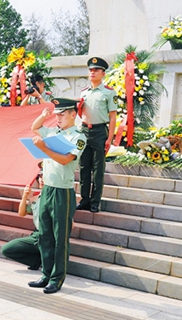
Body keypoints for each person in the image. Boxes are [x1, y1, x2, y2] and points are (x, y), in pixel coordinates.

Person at [27, 98, 86, 294]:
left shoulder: (77, 137)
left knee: (60, 237)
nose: (58, 117)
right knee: (45, 235)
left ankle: (57, 277)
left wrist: (43, 148)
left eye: (62, 114)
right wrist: (43, 116)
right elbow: (35, 128)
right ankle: (46, 274)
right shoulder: (54, 133)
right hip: (48, 189)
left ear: (73, 114)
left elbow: (65, 160)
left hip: (62, 191)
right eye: (56, 114)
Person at [78, 57, 117, 213]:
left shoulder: (108, 92)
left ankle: (95, 202)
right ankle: (84, 199)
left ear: (103, 73)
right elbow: (79, 113)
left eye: (96, 70)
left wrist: (110, 138)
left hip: (100, 131)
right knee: (83, 167)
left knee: (98, 168)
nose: (92, 72)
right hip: (84, 131)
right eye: (90, 70)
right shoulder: (84, 92)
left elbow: (113, 116)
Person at [1, 171, 43, 271]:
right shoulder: (36, 197)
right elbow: (22, 213)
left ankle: (44, 260)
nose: (42, 180)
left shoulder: (54, 197)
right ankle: (36, 261)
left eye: (44, 176)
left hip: (49, 235)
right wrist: (25, 196)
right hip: (37, 234)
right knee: (7, 249)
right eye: (40, 176)